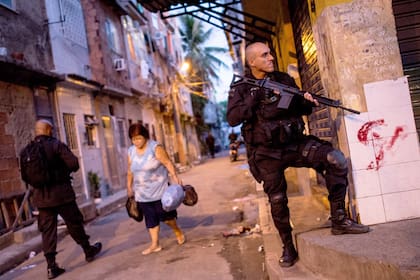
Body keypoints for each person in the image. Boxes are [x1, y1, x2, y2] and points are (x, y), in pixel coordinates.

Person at [226, 42, 369, 267]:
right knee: (277, 199)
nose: (271, 58)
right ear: (252, 61)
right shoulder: (242, 87)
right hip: (266, 153)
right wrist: (256, 96)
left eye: (271, 53)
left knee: (335, 160)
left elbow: (299, 109)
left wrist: (306, 102)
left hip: (294, 144)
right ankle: (288, 246)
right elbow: (233, 118)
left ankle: (339, 219)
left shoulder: (283, 80)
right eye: (264, 55)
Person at [23, 119, 102, 279]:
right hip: (62, 195)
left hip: (42, 198)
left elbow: (25, 176)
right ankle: (88, 251)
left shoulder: (27, 151)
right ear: (49, 130)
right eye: (51, 129)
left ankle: (51, 267)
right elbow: (74, 164)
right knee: (74, 223)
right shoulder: (56, 144)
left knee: (48, 231)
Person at [126, 123, 185, 255]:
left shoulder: (155, 147)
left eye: (139, 138)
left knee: (166, 217)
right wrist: (129, 186)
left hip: (159, 190)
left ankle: (177, 230)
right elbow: (130, 171)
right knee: (150, 219)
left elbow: (167, 162)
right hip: (142, 193)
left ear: (145, 137)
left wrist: (175, 176)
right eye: (134, 139)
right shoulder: (131, 151)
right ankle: (155, 244)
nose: (136, 141)